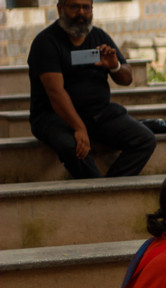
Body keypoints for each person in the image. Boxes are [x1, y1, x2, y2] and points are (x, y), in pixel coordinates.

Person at [28, 0, 156, 179]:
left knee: (145, 139)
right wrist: (79, 127)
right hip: (55, 117)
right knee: (71, 146)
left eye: (86, 7)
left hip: (99, 114)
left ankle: (109, 188)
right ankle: (95, 188)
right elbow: (55, 93)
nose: (81, 13)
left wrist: (115, 66)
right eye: (74, 7)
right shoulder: (46, 42)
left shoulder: (99, 37)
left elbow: (127, 78)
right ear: (60, 8)